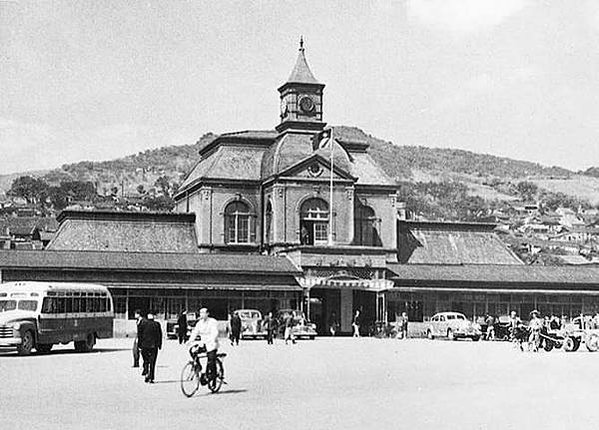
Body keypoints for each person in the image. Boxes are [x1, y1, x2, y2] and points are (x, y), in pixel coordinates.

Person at [188, 308, 219, 383]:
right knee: (192, 350)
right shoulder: (199, 323)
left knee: (211, 359)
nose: (202, 314)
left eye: (203, 313)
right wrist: (190, 340)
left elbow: (215, 332)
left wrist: (212, 339)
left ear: (207, 313)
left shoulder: (212, 322)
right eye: (200, 313)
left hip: (212, 343)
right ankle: (200, 367)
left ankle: (213, 375)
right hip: (203, 343)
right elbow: (195, 332)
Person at [137, 311, 163, 383]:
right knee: (152, 362)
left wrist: (139, 345)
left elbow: (140, 335)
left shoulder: (143, 324)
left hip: (144, 345)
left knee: (146, 360)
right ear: (154, 316)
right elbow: (159, 335)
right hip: (154, 346)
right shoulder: (157, 324)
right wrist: (160, 345)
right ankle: (151, 377)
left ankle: (146, 371)